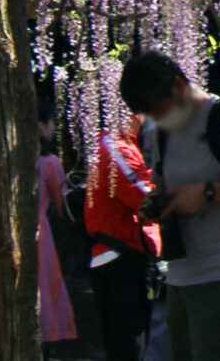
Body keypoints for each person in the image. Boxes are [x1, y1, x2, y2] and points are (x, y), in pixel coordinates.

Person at [119, 49, 220, 361]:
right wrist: (155, 203)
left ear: (180, 87)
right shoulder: (159, 130)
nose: (157, 120)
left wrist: (208, 192)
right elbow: (163, 184)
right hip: (179, 271)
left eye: (160, 111)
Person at [85, 109, 164, 361]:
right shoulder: (114, 145)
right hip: (119, 256)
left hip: (124, 253)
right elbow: (145, 197)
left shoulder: (123, 144)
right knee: (128, 349)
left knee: (133, 347)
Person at [38, 128, 82, 349]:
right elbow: (62, 203)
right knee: (43, 284)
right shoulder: (48, 162)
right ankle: (46, 336)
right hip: (39, 233)